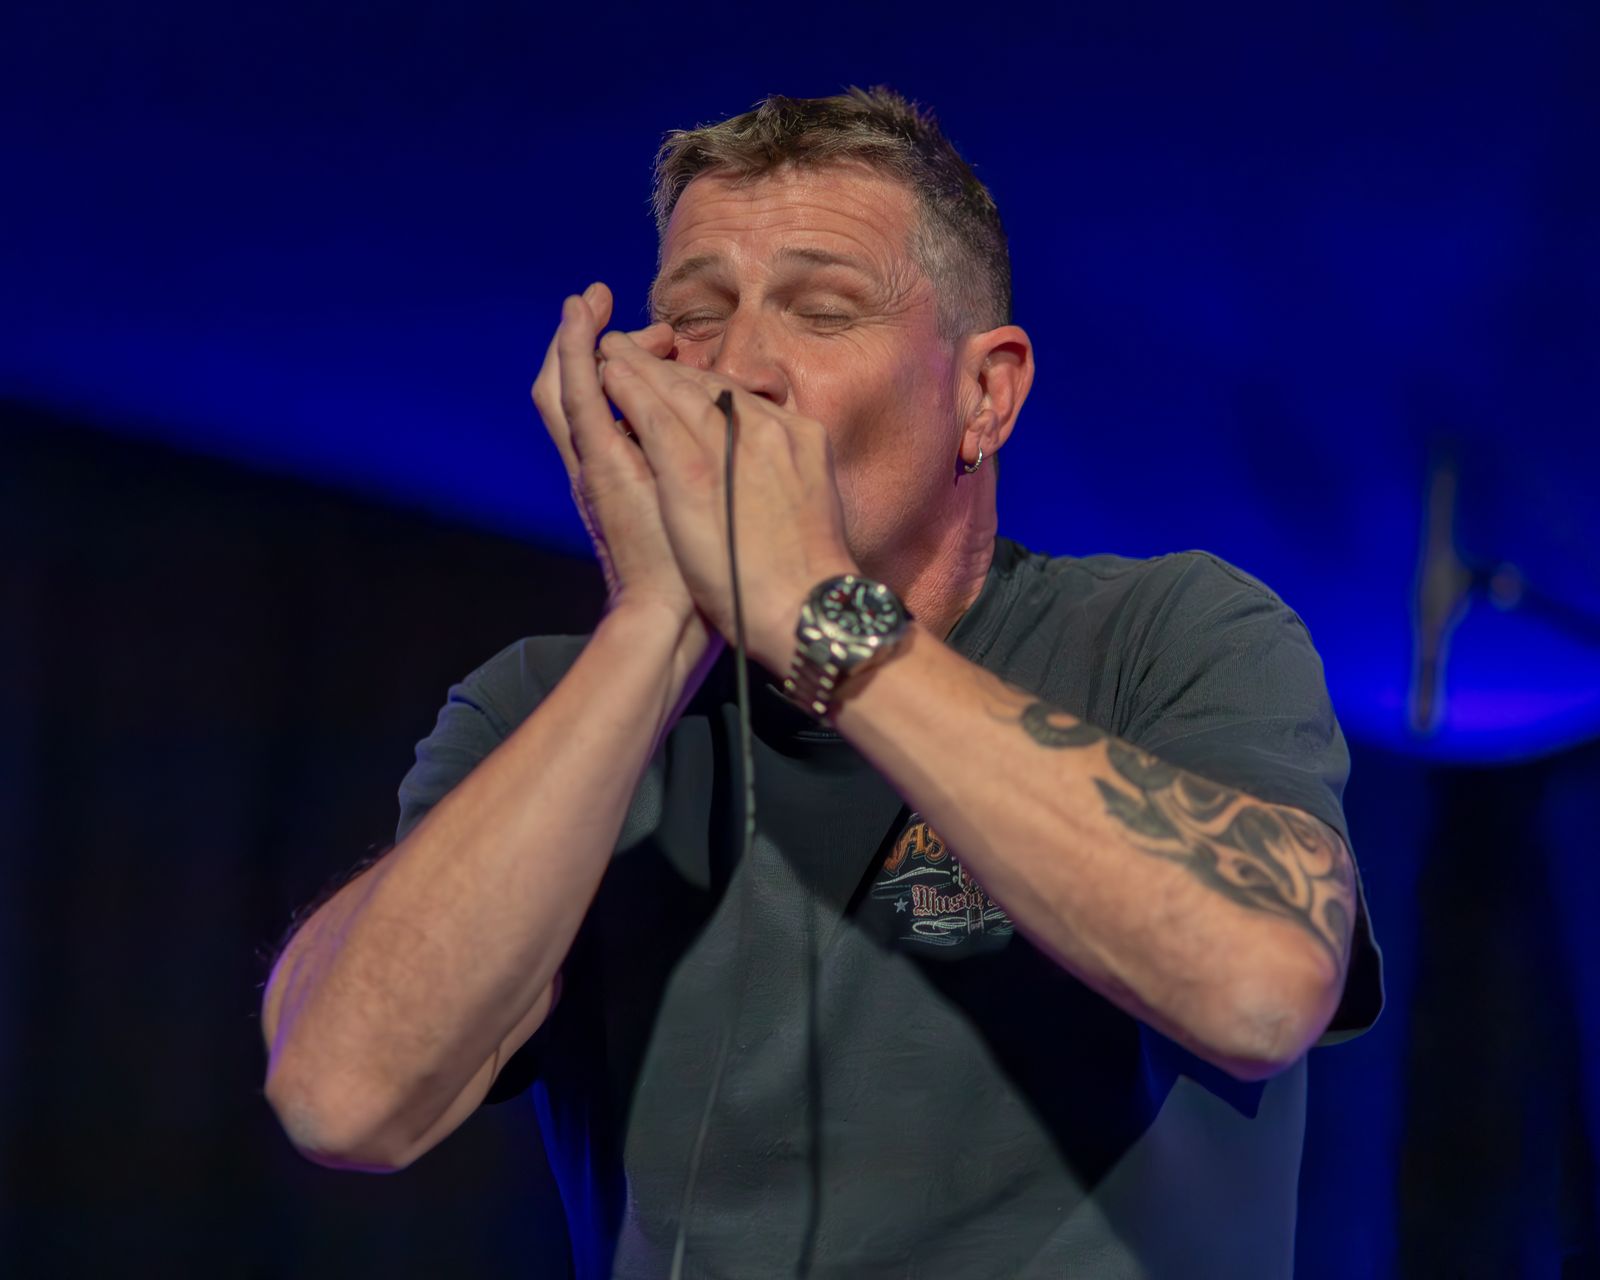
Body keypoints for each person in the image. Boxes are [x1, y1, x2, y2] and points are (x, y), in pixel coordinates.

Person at [261, 87, 1383, 1278]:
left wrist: (813, 612)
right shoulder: (550, 704)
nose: (742, 368)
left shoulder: (1165, 634)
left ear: (985, 393)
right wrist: (652, 624)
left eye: (824, 310)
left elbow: (1261, 991)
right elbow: (342, 1096)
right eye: (693, 316)